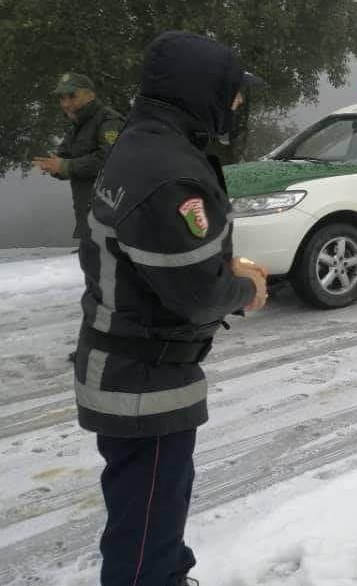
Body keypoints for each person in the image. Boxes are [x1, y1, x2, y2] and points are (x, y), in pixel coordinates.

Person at [73, 32, 268, 586]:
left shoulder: (141, 144)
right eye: (232, 93)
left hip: (131, 369)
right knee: (144, 538)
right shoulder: (170, 174)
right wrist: (244, 286)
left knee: (151, 514)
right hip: (143, 382)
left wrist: (219, 271)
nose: (236, 105)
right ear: (201, 91)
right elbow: (198, 296)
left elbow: (158, 263)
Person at [32, 73, 125, 243]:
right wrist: (51, 164)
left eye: (72, 96)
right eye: (62, 98)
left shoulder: (108, 121)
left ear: (90, 95)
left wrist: (66, 166)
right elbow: (64, 159)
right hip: (90, 221)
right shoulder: (77, 127)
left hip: (112, 221)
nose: (66, 104)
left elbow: (111, 160)